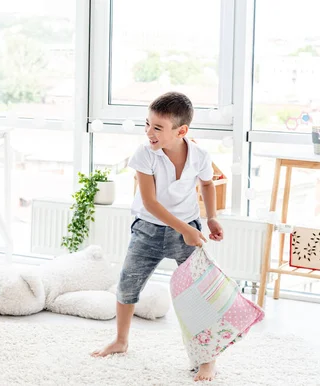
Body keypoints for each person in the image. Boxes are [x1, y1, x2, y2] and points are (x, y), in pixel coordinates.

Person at [91, 92, 224, 382]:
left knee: (198, 294)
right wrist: (187, 230)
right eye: (147, 125)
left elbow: (207, 185)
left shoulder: (200, 155)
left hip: (187, 228)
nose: (149, 132)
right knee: (127, 285)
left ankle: (206, 360)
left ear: (182, 131)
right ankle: (121, 340)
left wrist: (210, 218)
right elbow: (150, 203)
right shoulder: (144, 154)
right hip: (148, 229)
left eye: (158, 128)